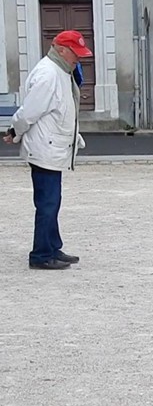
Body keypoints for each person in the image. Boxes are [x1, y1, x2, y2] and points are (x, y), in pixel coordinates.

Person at [2, 30, 93, 270]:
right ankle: (41, 255)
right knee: (47, 203)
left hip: (51, 147)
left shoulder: (61, 71)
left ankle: (52, 247)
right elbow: (29, 112)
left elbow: (60, 113)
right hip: (45, 149)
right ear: (62, 50)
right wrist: (14, 131)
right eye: (76, 53)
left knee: (52, 201)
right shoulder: (48, 74)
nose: (79, 59)